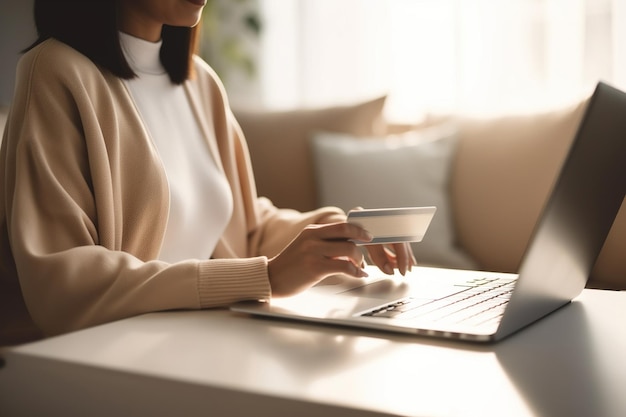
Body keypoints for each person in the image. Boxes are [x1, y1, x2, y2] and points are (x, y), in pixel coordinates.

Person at [0, 0, 415, 346]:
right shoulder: (56, 71)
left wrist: (337, 232)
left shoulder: (200, 82)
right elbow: (61, 286)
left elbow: (244, 231)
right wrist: (264, 277)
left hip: (202, 338)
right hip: (114, 352)